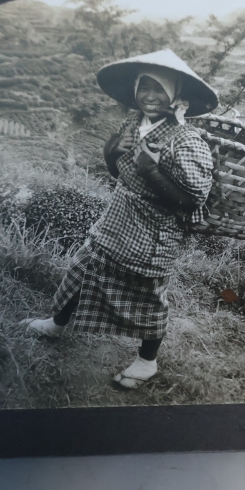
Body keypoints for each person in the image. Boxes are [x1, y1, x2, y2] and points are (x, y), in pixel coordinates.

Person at [24, 49, 218, 389]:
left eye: (159, 89)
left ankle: (147, 362)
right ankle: (57, 324)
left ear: (175, 94)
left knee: (148, 296)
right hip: (118, 217)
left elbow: (193, 199)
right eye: (144, 87)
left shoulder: (187, 139)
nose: (150, 96)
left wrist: (152, 170)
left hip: (155, 232)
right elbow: (118, 172)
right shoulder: (132, 124)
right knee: (85, 268)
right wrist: (113, 149)